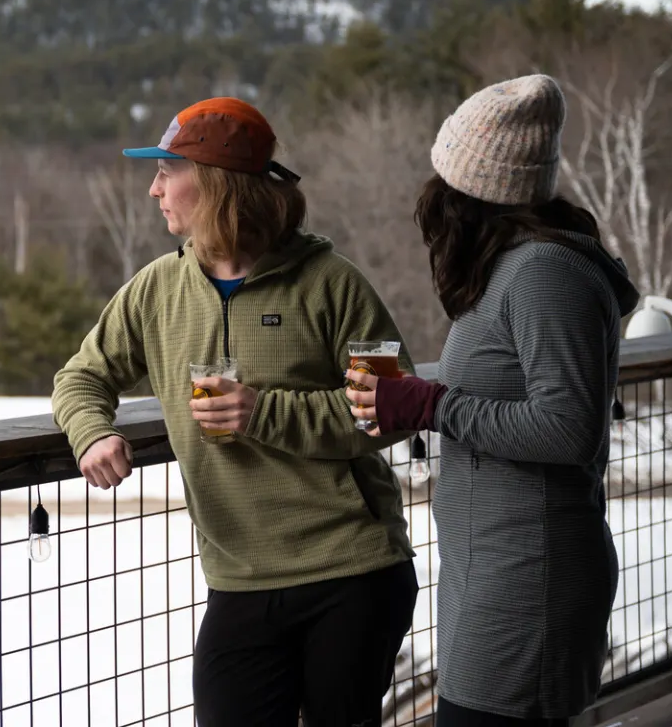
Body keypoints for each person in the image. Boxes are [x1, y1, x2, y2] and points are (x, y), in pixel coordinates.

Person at [53, 97, 419, 727]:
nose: (153, 189)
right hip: (237, 578)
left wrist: (262, 414)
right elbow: (80, 376)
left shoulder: (334, 283)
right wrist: (91, 433)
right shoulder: (155, 291)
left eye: (168, 171)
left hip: (353, 570)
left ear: (216, 185)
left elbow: (390, 410)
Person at [345, 74, 639, 727]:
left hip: (528, 581)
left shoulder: (543, 273)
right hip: (496, 573)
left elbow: (569, 430)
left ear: (471, 186)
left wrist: (429, 405)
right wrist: (412, 399)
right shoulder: (514, 267)